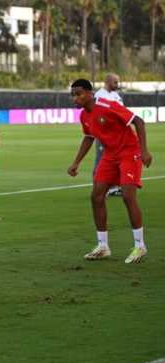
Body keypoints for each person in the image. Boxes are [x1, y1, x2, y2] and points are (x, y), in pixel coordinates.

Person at [67, 79, 152, 264]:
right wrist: (76, 163)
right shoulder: (84, 116)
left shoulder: (108, 105)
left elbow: (138, 121)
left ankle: (140, 245)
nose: (75, 98)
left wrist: (144, 150)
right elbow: (88, 138)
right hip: (110, 156)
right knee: (96, 196)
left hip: (129, 153)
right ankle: (103, 246)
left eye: (79, 94)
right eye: (73, 95)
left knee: (128, 196)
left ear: (90, 93)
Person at [94, 73, 124, 197]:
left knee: (116, 160)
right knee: (101, 159)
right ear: (108, 82)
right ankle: (98, 189)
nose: (117, 85)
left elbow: (122, 110)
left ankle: (113, 187)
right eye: (115, 82)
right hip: (104, 133)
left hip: (116, 134)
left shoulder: (115, 95)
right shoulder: (99, 95)